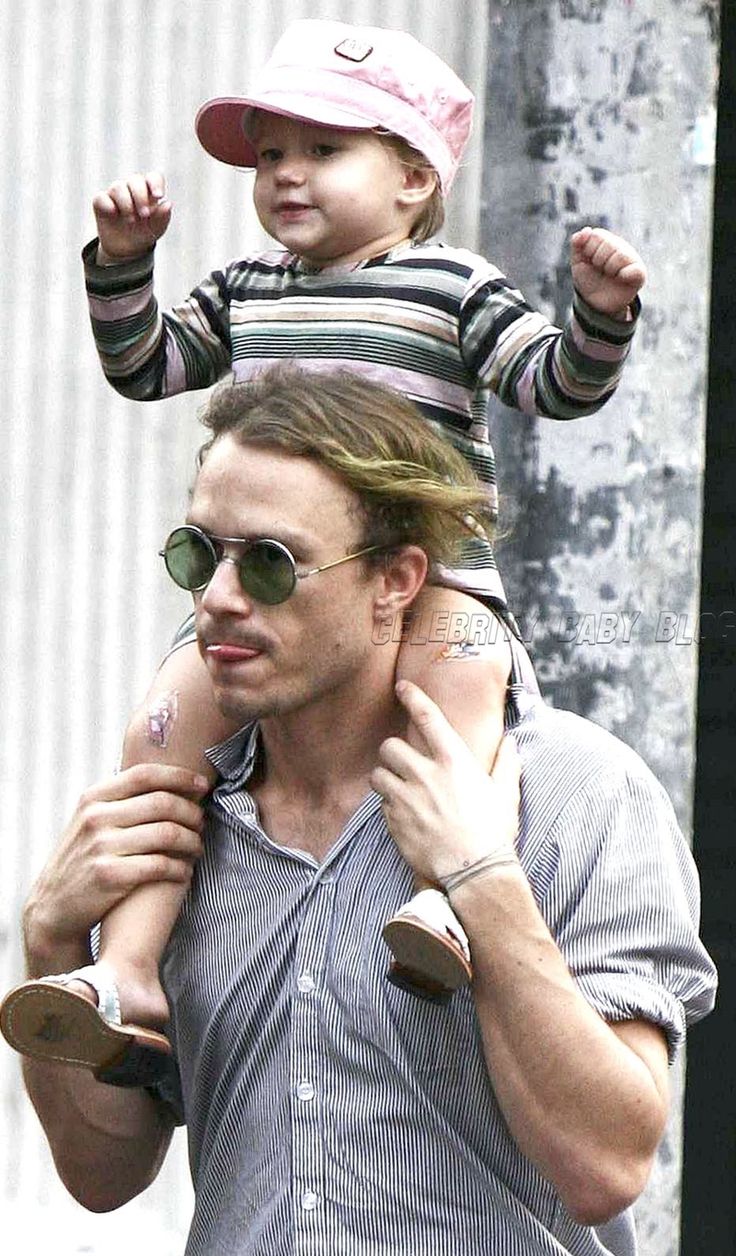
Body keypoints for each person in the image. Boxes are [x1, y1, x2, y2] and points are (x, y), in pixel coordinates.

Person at [2, 368, 716, 1255]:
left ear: (396, 581)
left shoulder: (582, 795)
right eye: (198, 551)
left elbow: (605, 1168)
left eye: (269, 562)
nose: (218, 597)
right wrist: (52, 943)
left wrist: (483, 882)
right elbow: (101, 1177)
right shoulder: (179, 816)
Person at [79, 17, 648, 1033]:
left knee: (458, 705)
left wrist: (598, 319)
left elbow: (548, 383)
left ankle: (446, 896)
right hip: (262, 579)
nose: (286, 175)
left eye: (323, 150)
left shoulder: (451, 290)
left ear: (413, 179)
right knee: (158, 730)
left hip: (435, 579)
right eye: (270, 155)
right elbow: (146, 367)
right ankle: (127, 964)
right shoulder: (243, 291)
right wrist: (125, 263)